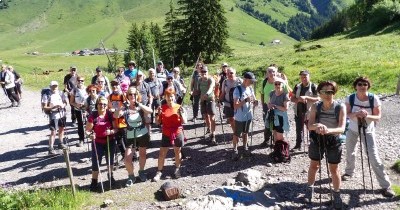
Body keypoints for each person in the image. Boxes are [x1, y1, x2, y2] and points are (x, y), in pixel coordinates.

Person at [341, 77, 395, 198]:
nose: (362, 86)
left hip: (368, 131)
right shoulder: (350, 98)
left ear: (368, 86)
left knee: (374, 157)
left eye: (365, 84)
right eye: (359, 84)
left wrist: (367, 115)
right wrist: (356, 114)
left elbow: (378, 116)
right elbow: (347, 115)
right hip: (352, 130)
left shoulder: (373, 98)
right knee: (350, 152)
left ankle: (386, 186)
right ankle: (349, 173)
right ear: (355, 86)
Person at [306, 81, 346, 208]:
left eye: (330, 92)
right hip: (317, 139)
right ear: (320, 93)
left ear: (334, 92)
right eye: (324, 92)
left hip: (333, 140)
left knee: (334, 169)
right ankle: (309, 190)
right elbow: (309, 126)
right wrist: (317, 126)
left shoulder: (340, 107)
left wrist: (328, 130)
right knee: (314, 165)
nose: (328, 94)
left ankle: (337, 194)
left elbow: (341, 128)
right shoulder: (315, 106)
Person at [115, 87, 153, 186]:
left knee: (143, 154)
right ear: (127, 96)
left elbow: (150, 111)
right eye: (130, 94)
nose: (132, 96)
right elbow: (116, 115)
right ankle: (131, 176)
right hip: (130, 136)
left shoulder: (140, 106)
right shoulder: (125, 107)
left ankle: (141, 171)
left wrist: (139, 104)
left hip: (142, 134)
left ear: (137, 95)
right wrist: (121, 106)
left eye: (134, 94)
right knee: (127, 159)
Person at [153, 89, 185, 182]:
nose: (170, 98)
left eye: (171, 96)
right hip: (166, 133)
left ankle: (177, 169)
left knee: (177, 152)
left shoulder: (179, 107)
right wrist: (157, 114)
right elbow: (157, 122)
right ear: (165, 97)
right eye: (168, 96)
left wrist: (182, 114)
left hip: (177, 132)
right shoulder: (162, 108)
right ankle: (159, 172)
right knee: (162, 153)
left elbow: (184, 122)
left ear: (174, 97)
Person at [85, 96, 117, 191]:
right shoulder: (93, 116)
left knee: (110, 160)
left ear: (107, 105)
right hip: (97, 142)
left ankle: (110, 176)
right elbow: (87, 131)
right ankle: (94, 181)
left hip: (109, 141)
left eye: (104, 104)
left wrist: (111, 132)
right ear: (97, 104)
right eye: (100, 104)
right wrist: (90, 135)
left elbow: (116, 129)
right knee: (96, 162)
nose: (102, 106)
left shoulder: (110, 115)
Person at [231, 72, 258, 160]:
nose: (252, 83)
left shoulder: (250, 88)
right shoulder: (237, 90)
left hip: (248, 115)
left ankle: (245, 148)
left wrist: (255, 102)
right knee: (237, 134)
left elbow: (253, 99)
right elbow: (235, 106)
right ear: (245, 80)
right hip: (239, 116)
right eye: (251, 81)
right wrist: (245, 100)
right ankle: (235, 150)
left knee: (246, 132)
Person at [291, 70, 319, 151]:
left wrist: (306, 98)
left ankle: (312, 145)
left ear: (309, 76)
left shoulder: (314, 86)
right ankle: (298, 145)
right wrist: (298, 100)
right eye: (302, 77)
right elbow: (292, 98)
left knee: (311, 129)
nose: (304, 78)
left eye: (305, 76)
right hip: (298, 111)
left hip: (310, 112)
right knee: (298, 129)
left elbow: (318, 99)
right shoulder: (297, 86)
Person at [261, 66, 288, 147]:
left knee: (278, 128)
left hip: (279, 109)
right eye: (269, 71)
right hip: (267, 106)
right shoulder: (265, 82)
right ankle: (267, 140)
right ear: (267, 73)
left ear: (276, 72)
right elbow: (262, 94)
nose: (271, 73)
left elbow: (286, 94)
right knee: (268, 124)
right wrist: (263, 105)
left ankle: (279, 145)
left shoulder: (282, 82)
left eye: (273, 71)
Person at [41, 81, 68, 155]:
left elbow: (65, 102)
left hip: (62, 114)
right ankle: (50, 148)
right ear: (50, 87)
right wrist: (53, 107)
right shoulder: (46, 95)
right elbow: (44, 107)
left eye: (56, 86)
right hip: (53, 115)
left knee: (61, 129)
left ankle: (60, 142)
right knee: (53, 132)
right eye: (53, 86)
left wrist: (63, 105)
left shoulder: (61, 93)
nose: (54, 87)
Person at [219, 67, 242, 137]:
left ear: (235, 73)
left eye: (231, 73)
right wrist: (219, 100)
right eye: (228, 73)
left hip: (238, 103)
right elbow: (223, 93)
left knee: (239, 119)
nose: (229, 74)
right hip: (228, 103)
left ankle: (239, 131)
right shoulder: (225, 82)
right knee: (231, 119)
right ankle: (235, 133)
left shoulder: (239, 81)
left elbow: (245, 90)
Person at [108, 79, 128, 160]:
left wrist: (117, 110)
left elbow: (127, 106)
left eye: (116, 85)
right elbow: (109, 107)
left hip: (123, 122)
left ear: (119, 85)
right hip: (115, 122)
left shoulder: (123, 95)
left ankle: (133, 156)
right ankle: (124, 155)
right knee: (118, 140)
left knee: (127, 140)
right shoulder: (109, 96)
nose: (114, 86)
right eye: (113, 85)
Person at [198, 66, 217, 144]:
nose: (204, 73)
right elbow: (198, 90)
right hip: (203, 100)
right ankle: (209, 130)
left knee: (212, 117)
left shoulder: (210, 79)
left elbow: (211, 87)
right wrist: (193, 93)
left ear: (207, 72)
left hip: (210, 100)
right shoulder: (199, 80)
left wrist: (207, 93)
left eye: (205, 72)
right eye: (202, 72)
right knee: (206, 116)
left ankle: (213, 134)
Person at [69, 76, 88, 147]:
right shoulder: (74, 90)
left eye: (82, 81)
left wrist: (86, 105)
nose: (80, 82)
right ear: (76, 81)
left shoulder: (87, 89)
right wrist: (77, 105)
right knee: (80, 125)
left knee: (89, 124)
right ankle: (81, 139)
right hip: (78, 110)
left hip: (87, 110)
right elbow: (71, 102)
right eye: (79, 80)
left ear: (84, 81)